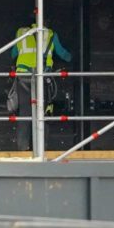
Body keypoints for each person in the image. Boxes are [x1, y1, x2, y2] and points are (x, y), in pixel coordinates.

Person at [9, 22, 73, 151]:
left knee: (25, 113)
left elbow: (13, 54)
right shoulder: (50, 34)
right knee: (42, 112)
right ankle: (40, 148)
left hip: (23, 77)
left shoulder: (21, 32)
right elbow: (63, 54)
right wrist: (72, 57)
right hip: (41, 77)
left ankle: (22, 148)